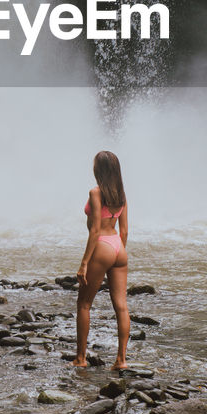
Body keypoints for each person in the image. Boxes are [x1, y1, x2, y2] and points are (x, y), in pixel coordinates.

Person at [73, 150, 130, 370]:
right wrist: (117, 253)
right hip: (118, 247)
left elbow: (95, 229)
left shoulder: (95, 193)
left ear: (99, 170)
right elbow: (124, 231)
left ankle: (80, 358)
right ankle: (121, 360)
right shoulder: (122, 195)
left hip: (102, 246)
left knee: (84, 305)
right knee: (122, 307)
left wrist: (84, 263)